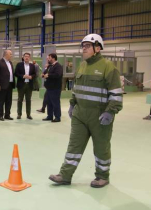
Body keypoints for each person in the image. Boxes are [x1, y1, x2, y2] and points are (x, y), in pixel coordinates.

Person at [49, 34, 123, 188]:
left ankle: (102, 176)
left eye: (87, 46)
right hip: (80, 114)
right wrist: (72, 104)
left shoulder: (108, 67)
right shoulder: (82, 65)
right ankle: (65, 175)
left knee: (101, 147)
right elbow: (76, 88)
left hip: (100, 116)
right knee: (74, 146)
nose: (84, 48)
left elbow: (116, 93)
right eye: (83, 45)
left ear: (97, 48)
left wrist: (110, 112)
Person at [42, 53, 63, 122]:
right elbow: (46, 72)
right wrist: (43, 74)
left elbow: (57, 74)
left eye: (49, 58)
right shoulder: (50, 66)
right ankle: (50, 116)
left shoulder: (58, 66)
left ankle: (57, 117)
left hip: (55, 88)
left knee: (55, 102)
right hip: (49, 88)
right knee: (49, 102)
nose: (48, 59)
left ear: (53, 58)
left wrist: (48, 75)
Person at [0, 50, 15, 121]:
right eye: (10, 54)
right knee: (1, 101)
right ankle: (0, 115)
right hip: (2, 85)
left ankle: (7, 115)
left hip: (10, 84)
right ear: (6, 54)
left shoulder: (10, 62)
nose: (11, 55)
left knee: (9, 101)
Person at [15, 52, 36, 120]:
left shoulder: (32, 65)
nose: (26, 57)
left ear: (29, 58)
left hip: (29, 85)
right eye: (25, 56)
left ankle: (28, 114)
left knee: (28, 100)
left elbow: (35, 74)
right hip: (21, 85)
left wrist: (31, 77)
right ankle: (19, 114)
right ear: (23, 57)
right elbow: (16, 73)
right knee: (20, 100)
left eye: (28, 56)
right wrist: (23, 76)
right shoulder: (19, 65)